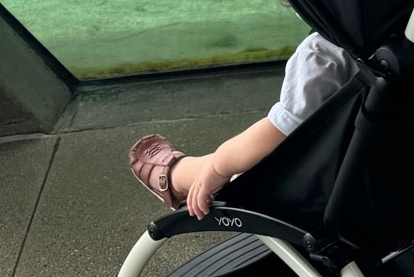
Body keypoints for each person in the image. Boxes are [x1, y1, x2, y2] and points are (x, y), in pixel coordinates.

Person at [128, 30, 355, 220]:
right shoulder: (386, 47)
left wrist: (217, 167)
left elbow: (278, 133)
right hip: (381, 189)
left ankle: (178, 178)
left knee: (241, 164)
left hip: (328, 193)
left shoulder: (324, 52)